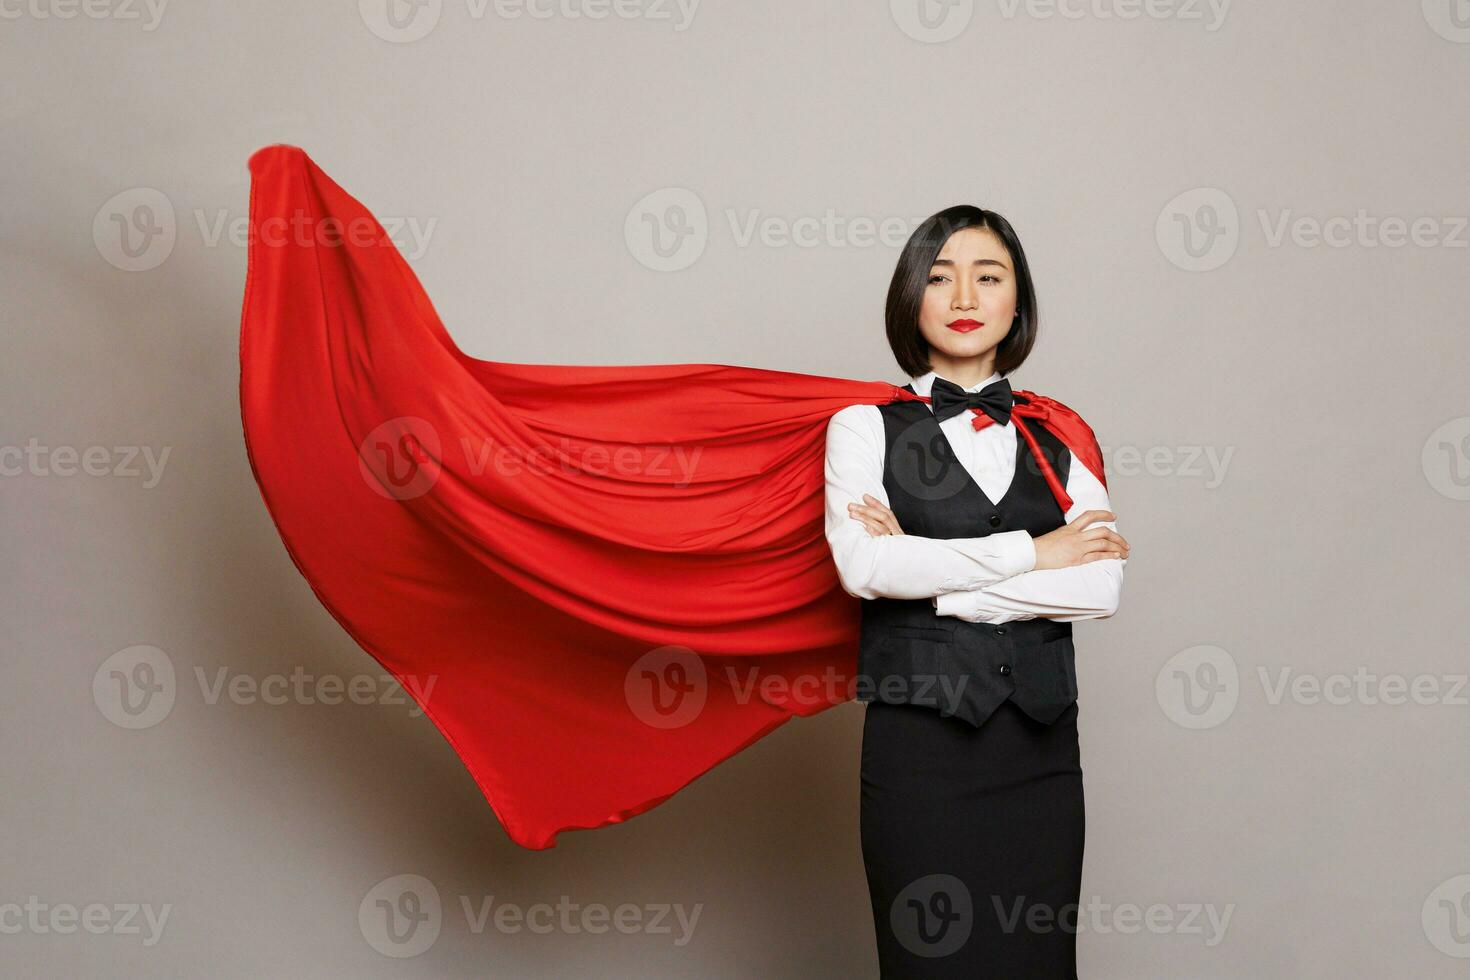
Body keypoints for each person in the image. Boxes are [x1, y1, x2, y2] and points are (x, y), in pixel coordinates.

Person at [823, 206, 1130, 977]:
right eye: (939, 275)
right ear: (910, 299)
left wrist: (944, 584)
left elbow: (1101, 584)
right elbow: (865, 570)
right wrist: (1034, 551)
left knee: (1039, 964)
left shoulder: (1059, 433)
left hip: (1041, 759)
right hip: (920, 758)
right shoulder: (862, 426)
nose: (964, 294)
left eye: (988, 276)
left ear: (1016, 303)